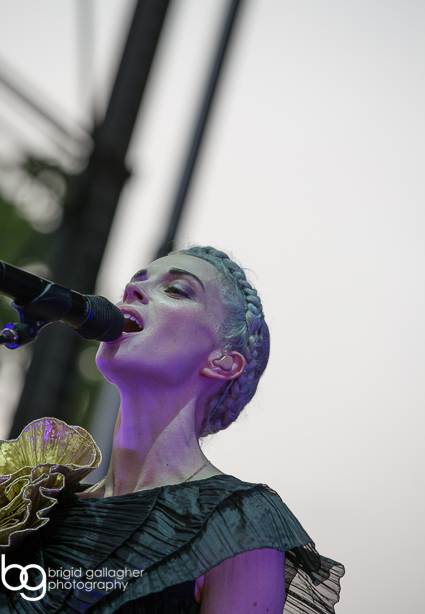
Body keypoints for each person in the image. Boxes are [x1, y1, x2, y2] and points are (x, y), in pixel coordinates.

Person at [0, 246, 344, 613]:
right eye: (135, 283)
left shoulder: (238, 520)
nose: (131, 291)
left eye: (177, 289)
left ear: (222, 362)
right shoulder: (37, 502)